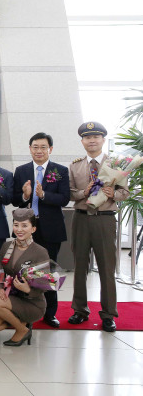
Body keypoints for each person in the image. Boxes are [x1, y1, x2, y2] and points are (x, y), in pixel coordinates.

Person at [68, 122, 129, 332]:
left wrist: (115, 195)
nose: (92, 140)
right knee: (80, 266)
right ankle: (79, 310)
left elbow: (125, 193)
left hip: (105, 219)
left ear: (103, 139)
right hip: (81, 218)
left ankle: (108, 314)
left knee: (106, 268)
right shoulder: (75, 165)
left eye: (96, 136)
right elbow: (70, 193)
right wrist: (82, 193)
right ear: (82, 141)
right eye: (87, 137)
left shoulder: (115, 164)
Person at [12, 132, 70, 328]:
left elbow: (64, 198)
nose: (39, 150)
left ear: (50, 149)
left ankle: (50, 313)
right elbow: (14, 199)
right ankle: (23, 310)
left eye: (43, 147)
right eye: (35, 147)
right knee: (22, 269)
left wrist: (43, 195)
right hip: (25, 229)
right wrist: (25, 195)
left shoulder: (60, 170)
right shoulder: (21, 170)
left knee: (48, 270)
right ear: (30, 149)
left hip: (51, 228)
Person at [0, 209, 49, 346]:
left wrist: (28, 289)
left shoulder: (40, 252)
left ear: (33, 229)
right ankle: (22, 326)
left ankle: (21, 330)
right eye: (16, 225)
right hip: (10, 298)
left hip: (32, 303)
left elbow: (45, 284)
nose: (19, 229)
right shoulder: (7, 246)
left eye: (24, 225)